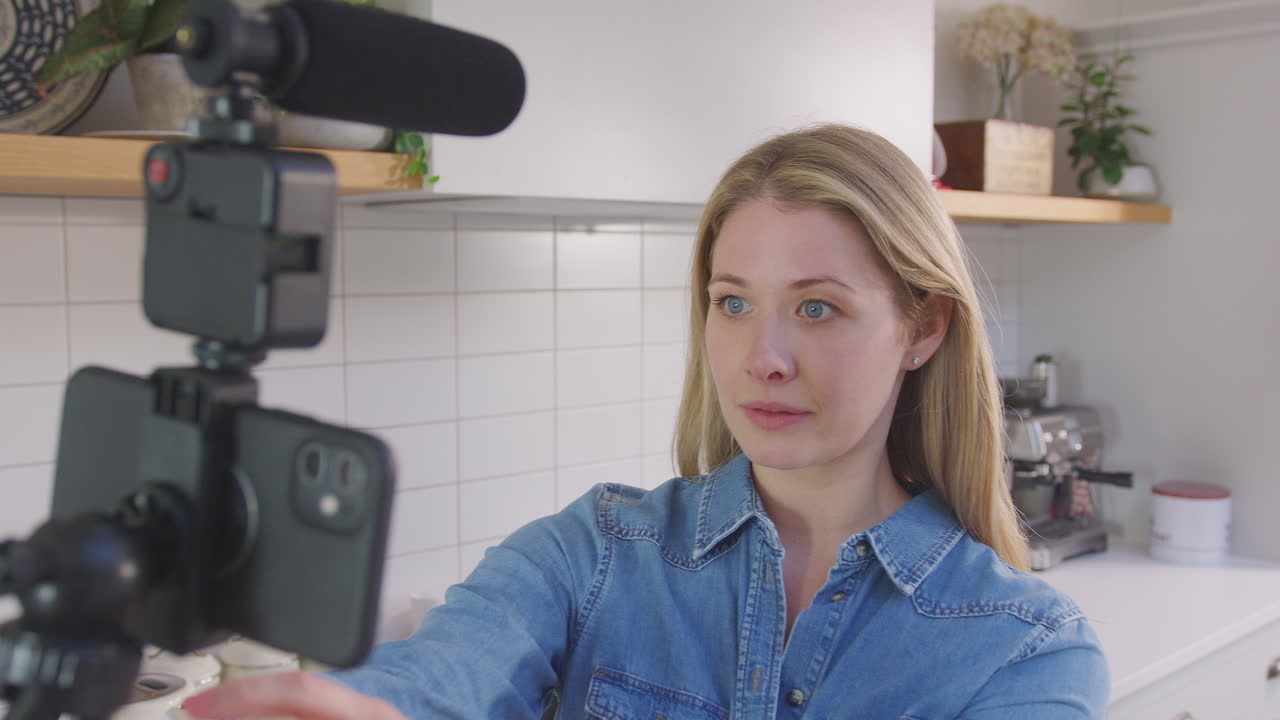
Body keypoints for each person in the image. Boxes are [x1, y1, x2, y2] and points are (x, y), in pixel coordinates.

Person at [181, 124, 1110, 719]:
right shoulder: (594, 554)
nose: (763, 358)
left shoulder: (1023, 651)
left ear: (922, 327)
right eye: (733, 302)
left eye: (818, 307)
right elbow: (446, 673)